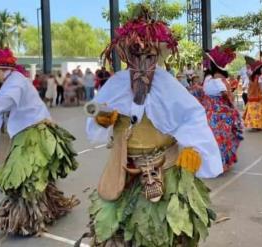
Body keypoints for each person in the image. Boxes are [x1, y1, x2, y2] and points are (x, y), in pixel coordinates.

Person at [82, 7, 222, 246]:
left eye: (148, 55)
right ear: (126, 55)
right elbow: (97, 113)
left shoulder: (168, 84)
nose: (141, 62)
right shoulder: (116, 84)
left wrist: (194, 149)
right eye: (135, 54)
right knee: (115, 229)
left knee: (164, 233)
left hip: (164, 169)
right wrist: (101, 119)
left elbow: (191, 116)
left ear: (157, 55)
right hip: (124, 168)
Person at [0, 47, 79, 236]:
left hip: (34, 133)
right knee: (34, 177)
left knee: (24, 178)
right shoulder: (11, 81)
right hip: (26, 131)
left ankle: (30, 219)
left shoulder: (15, 83)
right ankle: (48, 209)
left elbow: (3, 103)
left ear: (5, 68)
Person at [201, 40, 244, 172]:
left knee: (215, 140)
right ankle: (220, 164)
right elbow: (229, 98)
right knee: (219, 139)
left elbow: (225, 96)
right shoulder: (217, 80)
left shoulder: (213, 80)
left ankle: (216, 164)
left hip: (213, 117)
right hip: (218, 117)